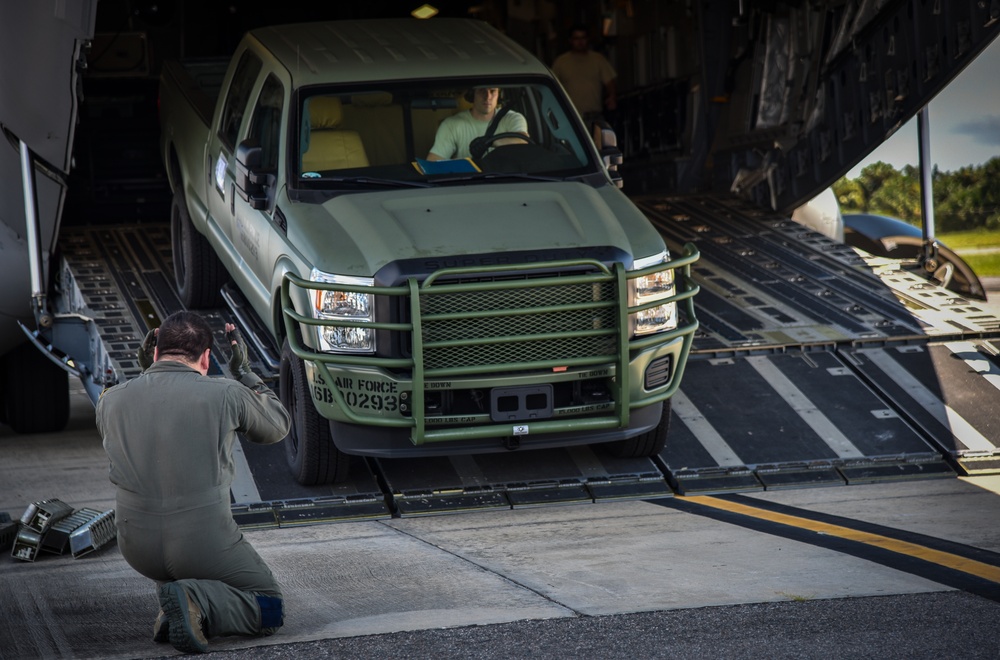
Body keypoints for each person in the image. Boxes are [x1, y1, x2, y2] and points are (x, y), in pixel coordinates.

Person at [96, 311, 290, 654]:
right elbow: (277, 427)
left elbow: (154, 402)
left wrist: (145, 373)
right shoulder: (227, 393)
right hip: (202, 544)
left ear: (154, 353)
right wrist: (245, 373)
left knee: (174, 561)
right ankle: (194, 600)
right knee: (269, 605)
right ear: (206, 358)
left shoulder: (110, 400)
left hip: (136, 547)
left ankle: (179, 607)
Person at [426, 86, 528, 161]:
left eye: (492, 91)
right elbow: (433, 161)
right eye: (482, 91)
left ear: (499, 94)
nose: (488, 97)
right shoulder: (451, 125)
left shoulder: (512, 118)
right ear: (472, 94)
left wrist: (490, 142)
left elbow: (523, 141)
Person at [551, 24, 618, 124]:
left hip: (594, 115)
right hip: (570, 117)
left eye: (583, 38)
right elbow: (553, 86)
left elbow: (609, 81)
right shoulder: (561, 62)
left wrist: (612, 96)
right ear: (570, 40)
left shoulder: (598, 59)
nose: (580, 42)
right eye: (576, 38)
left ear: (588, 39)